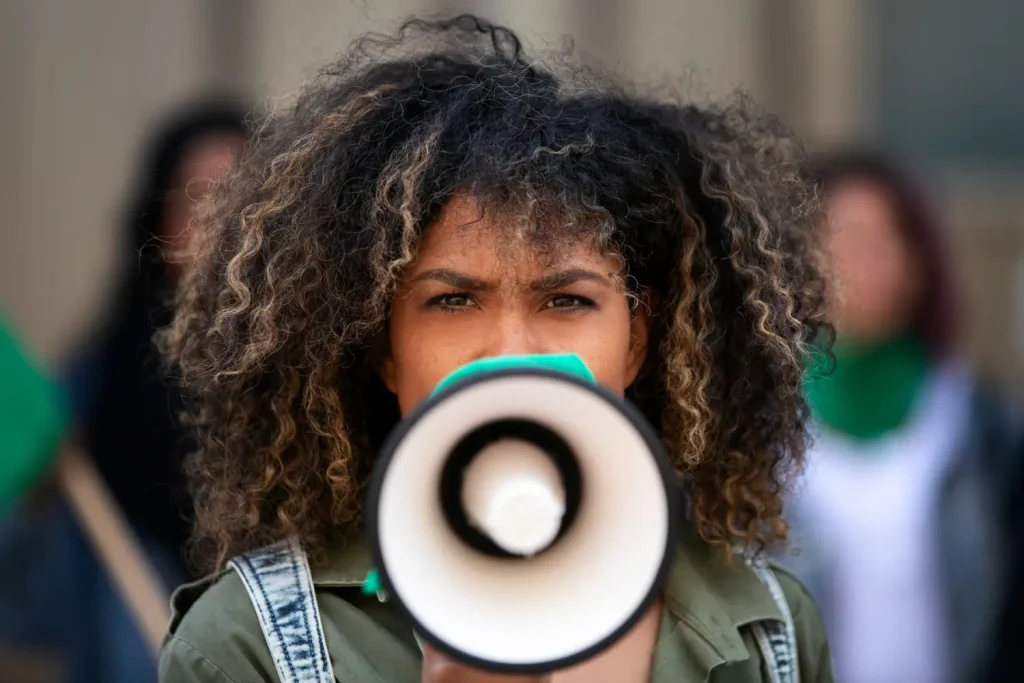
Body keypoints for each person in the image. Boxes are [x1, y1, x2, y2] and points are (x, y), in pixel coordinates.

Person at [157, 16, 834, 683]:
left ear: (638, 341)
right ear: (382, 349)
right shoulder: (243, 646)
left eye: (567, 300)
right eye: (452, 300)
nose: (512, 351)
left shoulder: (773, 634)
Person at [782, 152, 1024, 683]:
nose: (854, 262)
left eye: (878, 240)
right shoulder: (754, 432)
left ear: (919, 263)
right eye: (834, 239)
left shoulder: (982, 428)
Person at [56, 102, 247, 683]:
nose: (221, 222)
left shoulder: (326, 385)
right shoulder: (91, 394)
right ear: (160, 223)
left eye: (241, 197)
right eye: (198, 197)